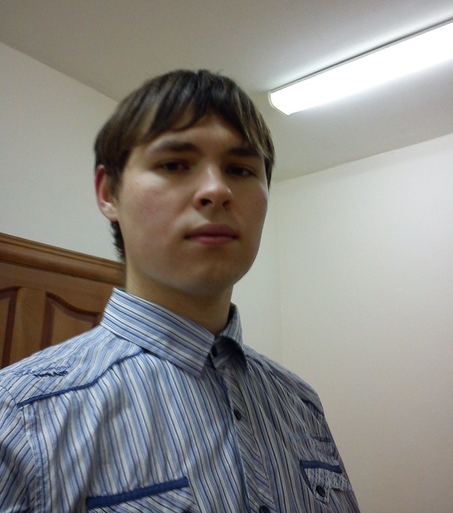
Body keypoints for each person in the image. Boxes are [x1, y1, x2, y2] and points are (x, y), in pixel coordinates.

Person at [0, 69, 360, 512]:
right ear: (108, 192)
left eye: (241, 169)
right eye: (174, 164)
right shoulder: (19, 418)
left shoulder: (301, 404)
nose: (217, 190)